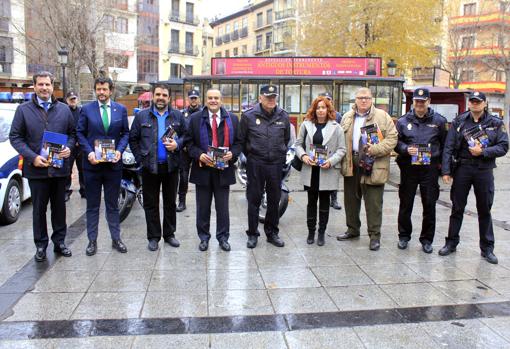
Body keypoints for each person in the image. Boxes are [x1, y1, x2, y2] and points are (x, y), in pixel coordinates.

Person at [9, 71, 75, 261]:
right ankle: (40, 245)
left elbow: (72, 134)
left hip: (59, 169)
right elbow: (16, 137)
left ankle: (60, 242)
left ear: (53, 86)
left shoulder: (63, 109)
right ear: (34, 86)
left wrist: (69, 148)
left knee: (59, 208)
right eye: (41, 84)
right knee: (38, 210)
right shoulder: (23, 110)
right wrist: (32, 157)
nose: (44, 88)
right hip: (37, 170)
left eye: (47, 84)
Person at [440, 91, 508, 264]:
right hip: (463, 167)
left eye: (478, 102)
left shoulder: (495, 123)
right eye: (472, 102)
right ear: (469, 103)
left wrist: (483, 152)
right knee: (457, 208)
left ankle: (487, 248)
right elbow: (448, 147)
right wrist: (446, 171)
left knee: (485, 208)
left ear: (485, 104)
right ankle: (451, 243)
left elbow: (503, 146)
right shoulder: (459, 121)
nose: (475, 104)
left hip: (484, 169)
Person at [336, 87, 398, 251]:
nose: (363, 100)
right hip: (352, 162)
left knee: (374, 202)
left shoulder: (383, 116)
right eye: (360, 98)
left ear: (372, 100)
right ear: (355, 100)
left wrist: (376, 149)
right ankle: (352, 229)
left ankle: (374, 236)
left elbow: (393, 139)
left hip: (374, 163)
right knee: (350, 200)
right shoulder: (347, 117)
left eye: (367, 98)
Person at [77, 77, 129, 256]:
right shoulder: (86, 109)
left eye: (104, 89)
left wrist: (120, 151)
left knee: (112, 204)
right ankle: (92, 241)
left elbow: (125, 134)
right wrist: (89, 152)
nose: (101, 92)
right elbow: (80, 133)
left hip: (113, 167)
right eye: (98, 89)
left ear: (110, 90)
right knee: (92, 205)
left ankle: (116, 238)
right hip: (92, 166)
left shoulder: (120, 109)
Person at [129, 83, 185, 251]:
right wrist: (141, 159)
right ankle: (153, 237)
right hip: (149, 167)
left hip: (171, 166)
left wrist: (177, 144)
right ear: (153, 96)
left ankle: (169, 234)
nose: (161, 97)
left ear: (169, 98)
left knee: (170, 202)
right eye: (158, 94)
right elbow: (133, 139)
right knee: (151, 203)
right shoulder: (142, 117)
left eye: (164, 95)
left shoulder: (177, 116)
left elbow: (187, 136)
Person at [184, 89, 241, 251]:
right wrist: (199, 155)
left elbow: (239, 143)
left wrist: (233, 153)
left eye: (216, 98)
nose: (213, 101)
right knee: (202, 207)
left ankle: (223, 238)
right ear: (205, 100)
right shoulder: (195, 119)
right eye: (210, 98)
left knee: (223, 208)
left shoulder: (233, 119)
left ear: (221, 100)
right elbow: (189, 143)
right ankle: (204, 238)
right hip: (202, 170)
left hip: (224, 171)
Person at [394, 88, 447, 254]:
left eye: (423, 102)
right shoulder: (403, 121)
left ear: (429, 102)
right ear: (413, 102)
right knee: (405, 204)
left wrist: (445, 169)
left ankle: (427, 239)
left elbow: (446, 146)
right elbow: (396, 142)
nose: (420, 104)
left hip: (429, 169)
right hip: (409, 167)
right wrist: (405, 149)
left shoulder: (439, 121)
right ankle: (404, 236)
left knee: (429, 204)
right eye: (417, 101)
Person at [238, 85, 291, 249]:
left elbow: (286, 139)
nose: (271, 100)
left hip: (275, 164)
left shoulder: (283, 116)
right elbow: (242, 140)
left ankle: (272, 233)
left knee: (274, 200)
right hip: (256, 164)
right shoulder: (248, 116)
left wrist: (280, 155)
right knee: (254, 200)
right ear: (260, 98)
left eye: (274, 97)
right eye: (268, 97)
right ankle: (253, 234)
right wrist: (253, 155)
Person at [295, 96, 346, 246]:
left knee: (324, 204)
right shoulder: (306, 124)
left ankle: (321, 233)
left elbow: (342, 149)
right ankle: (311, 232)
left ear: (328, 109)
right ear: (314, 110)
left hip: (327, 170)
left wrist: (331, 161)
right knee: (311, 203)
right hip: (311, 170)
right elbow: (298, 144)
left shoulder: (337, 127)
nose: (321, 110)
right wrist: (303, 156)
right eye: (318, 108)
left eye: (324, 107)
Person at [177, 89, 202, 212]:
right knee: (183, 176)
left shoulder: (204, 113)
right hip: (185, 150)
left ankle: (202, 202)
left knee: (201, 177)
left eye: (195, 98)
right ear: (188, 99)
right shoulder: (182, 114)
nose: (193, 100)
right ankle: (182, 201)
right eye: (191, 98)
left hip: (198, 150)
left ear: (199, 99)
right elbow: (180, 132)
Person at [319, 91, 342, 210]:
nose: (328, 102)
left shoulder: (337, 115)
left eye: (329, 100)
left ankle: (334, 199)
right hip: (320, 149)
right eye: (325, 99)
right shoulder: (316, 113)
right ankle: (323, 199)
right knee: (321, 175)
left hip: (333, 150)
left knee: (333, 176)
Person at [64, 91, 85, 201]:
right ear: (67, 100)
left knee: (82, 169)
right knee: (67, 169)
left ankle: (84, 190)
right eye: (71, 99)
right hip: (68, 146)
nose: (73, 101)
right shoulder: (64, 111)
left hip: (80, 145)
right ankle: (66, 191)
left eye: (74, 99)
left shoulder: (82, 111)